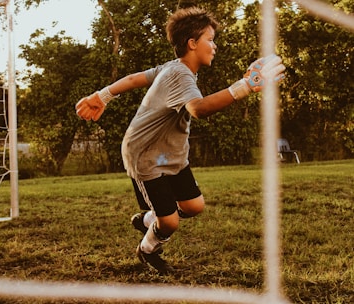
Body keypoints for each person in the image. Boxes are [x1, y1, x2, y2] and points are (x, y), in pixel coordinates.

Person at [75, 6, 285, 274]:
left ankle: (149, 219)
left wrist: (101, 96)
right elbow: (198, 109)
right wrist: (245, 86)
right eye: (210, 39)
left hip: (169, 155)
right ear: (192, 43)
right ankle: (148, 248)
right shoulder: (179, 74)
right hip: (147, 157)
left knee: (194, 206)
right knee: (171, 222)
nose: (215, 46)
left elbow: (133, 78)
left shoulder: (173, 67)